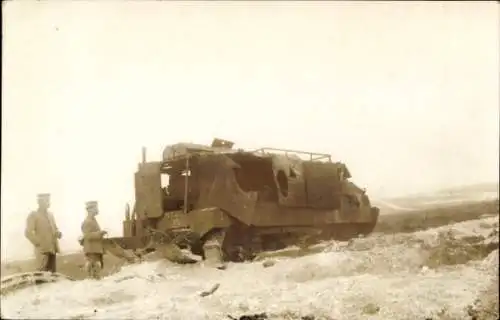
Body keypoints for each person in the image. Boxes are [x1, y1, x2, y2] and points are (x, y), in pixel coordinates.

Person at [24, 193, 62, 273]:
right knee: (42, 276)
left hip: (52, 249)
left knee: (53, 276)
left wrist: (58, 233)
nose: (49, 203)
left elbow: (55, 228)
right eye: (47, 201)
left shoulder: (50, 215)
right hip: (42, 251)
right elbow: (28, 232)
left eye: (49, 200)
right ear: (40, 202)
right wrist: (38, 243)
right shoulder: (33, 215)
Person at [81, 201, 107, 279]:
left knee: (96, 271)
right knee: (93, 271)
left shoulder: (92, 220)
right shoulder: (87, 222)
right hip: (91, 250)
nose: (97, 209)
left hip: (95, 249)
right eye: (96, 208)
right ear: (90, 209)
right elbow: (87, 236)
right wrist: (100, 233)